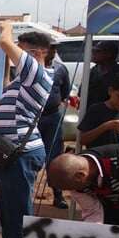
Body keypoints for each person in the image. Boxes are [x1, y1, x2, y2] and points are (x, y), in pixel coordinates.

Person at [0, 23, 54, 238]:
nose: (17, 57)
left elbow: (5, 42)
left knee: (17, 212)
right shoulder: (23, 80)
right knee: (9, 210)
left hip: (20, 155)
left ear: (37, 54)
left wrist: (6, 26)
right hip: (11, 155)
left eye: (22, 51)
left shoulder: (37, 74)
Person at [49, 145, 119, 225]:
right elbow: (93, 212)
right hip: (113, 210)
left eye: (70, 187)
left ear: (80, 175)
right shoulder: (74, 180)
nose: (72, 191)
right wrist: (92, 232)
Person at [38, 44, 72, 208]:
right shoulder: (29, 68)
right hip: (32, 118)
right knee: (31, 156)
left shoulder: (61, 69)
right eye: (46, 48)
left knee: (55, 156)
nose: (50, 51)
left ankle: (58, 196)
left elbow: (65, 92)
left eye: (53, 49)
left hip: (52, 117)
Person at [77, 72, 119, 148]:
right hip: (101, 155)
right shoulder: (97, 110)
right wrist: (105, 127)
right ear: (110, 91)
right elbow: (83, 140)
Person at [86, 40, 119, 108]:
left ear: (109, 54)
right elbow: (82, 93)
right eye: (93, 50)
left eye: (97, 51)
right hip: (93, 112)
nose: (93, 53)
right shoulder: (93, 71)